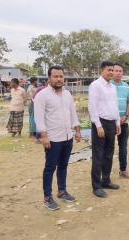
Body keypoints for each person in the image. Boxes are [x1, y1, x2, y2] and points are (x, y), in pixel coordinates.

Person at [34, 65, 81, 210]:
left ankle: (62, 191)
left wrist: (77, 130)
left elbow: (73, 113)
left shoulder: (67, 94)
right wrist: (44, 136)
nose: (59, 79)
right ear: (49, 78)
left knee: (63, 166)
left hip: (67, 137)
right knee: (50, 168)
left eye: (61, 76)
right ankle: (47, 197)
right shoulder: (42, 95)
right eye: (56, 76)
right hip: (52, 139)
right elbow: (39, 118)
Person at [88, 61, 121, 198]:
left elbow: (115, 105)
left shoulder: (112, 87)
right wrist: (98, 125)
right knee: (98, 155)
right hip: (100, 123)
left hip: (111, 123)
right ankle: (96, 186)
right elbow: (92, 106)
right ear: (101, 70)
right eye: (109, 70)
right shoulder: (95, 86)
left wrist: (117, 122)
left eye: (113, 70)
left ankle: (106, 180)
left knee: (109, 154)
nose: (111, 72)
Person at [110, 63, 129, 179]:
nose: (118, 73)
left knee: (123, 147)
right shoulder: (108, 85)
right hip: (110, 122)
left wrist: (126, 116)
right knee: (108, 147)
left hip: (123, 122)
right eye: (116, 71)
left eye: (120, 71)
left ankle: (123, 170)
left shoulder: (126, 86)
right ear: (112, 72)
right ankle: (105, 173)